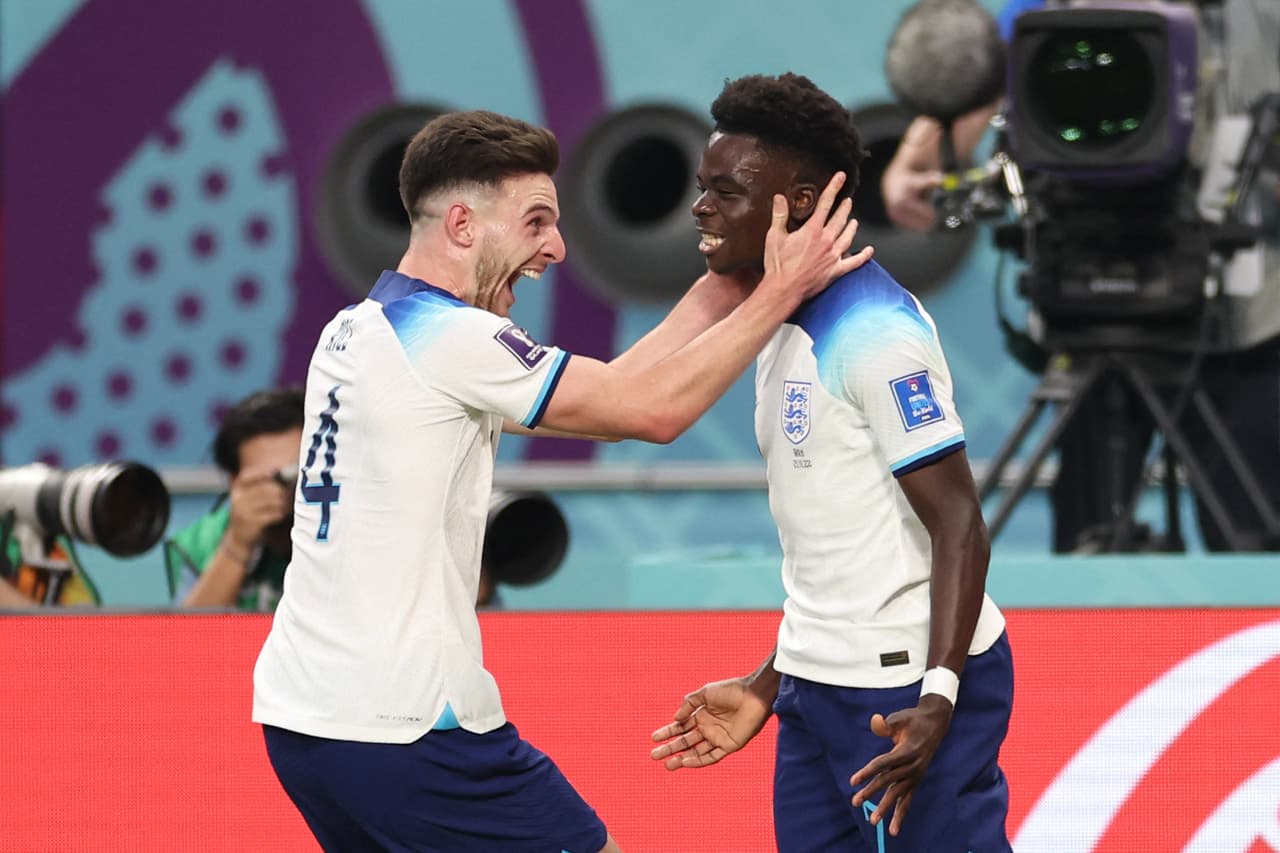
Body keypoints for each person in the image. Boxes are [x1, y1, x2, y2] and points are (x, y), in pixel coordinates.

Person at [251, 108, 870, 853]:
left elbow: (610, 396)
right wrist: (780, 292)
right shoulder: (450, 338)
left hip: (304, 718)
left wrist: (723, 290)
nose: (557, 247)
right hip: (406, 726)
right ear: (462, 225)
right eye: (536, 222)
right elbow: (652, 412)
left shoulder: (358, 328)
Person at [648, 73, 1014, 852]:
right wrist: (770, 681)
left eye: (727, 191)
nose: (701, 208)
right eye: (703, 186)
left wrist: (938, 698)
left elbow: (960, 523)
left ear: (802, 202)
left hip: (898, 696)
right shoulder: (776, 316)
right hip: (813, 688)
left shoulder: (877, 333)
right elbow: (837, 551)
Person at [881, 0, 1280, 553]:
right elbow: (982, 69)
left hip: (1237, 319)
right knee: (1086, 541)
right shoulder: (1052, 11)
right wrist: (917, 161)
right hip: (1087, 314)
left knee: (1252, 544)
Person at [164, 388, 305, 611]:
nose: (288, 491)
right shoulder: (198, 544)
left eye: (298, 474)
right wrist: (238, 545)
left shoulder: (346, 528)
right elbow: (191, 632)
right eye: (273, 479)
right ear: (234, 482)